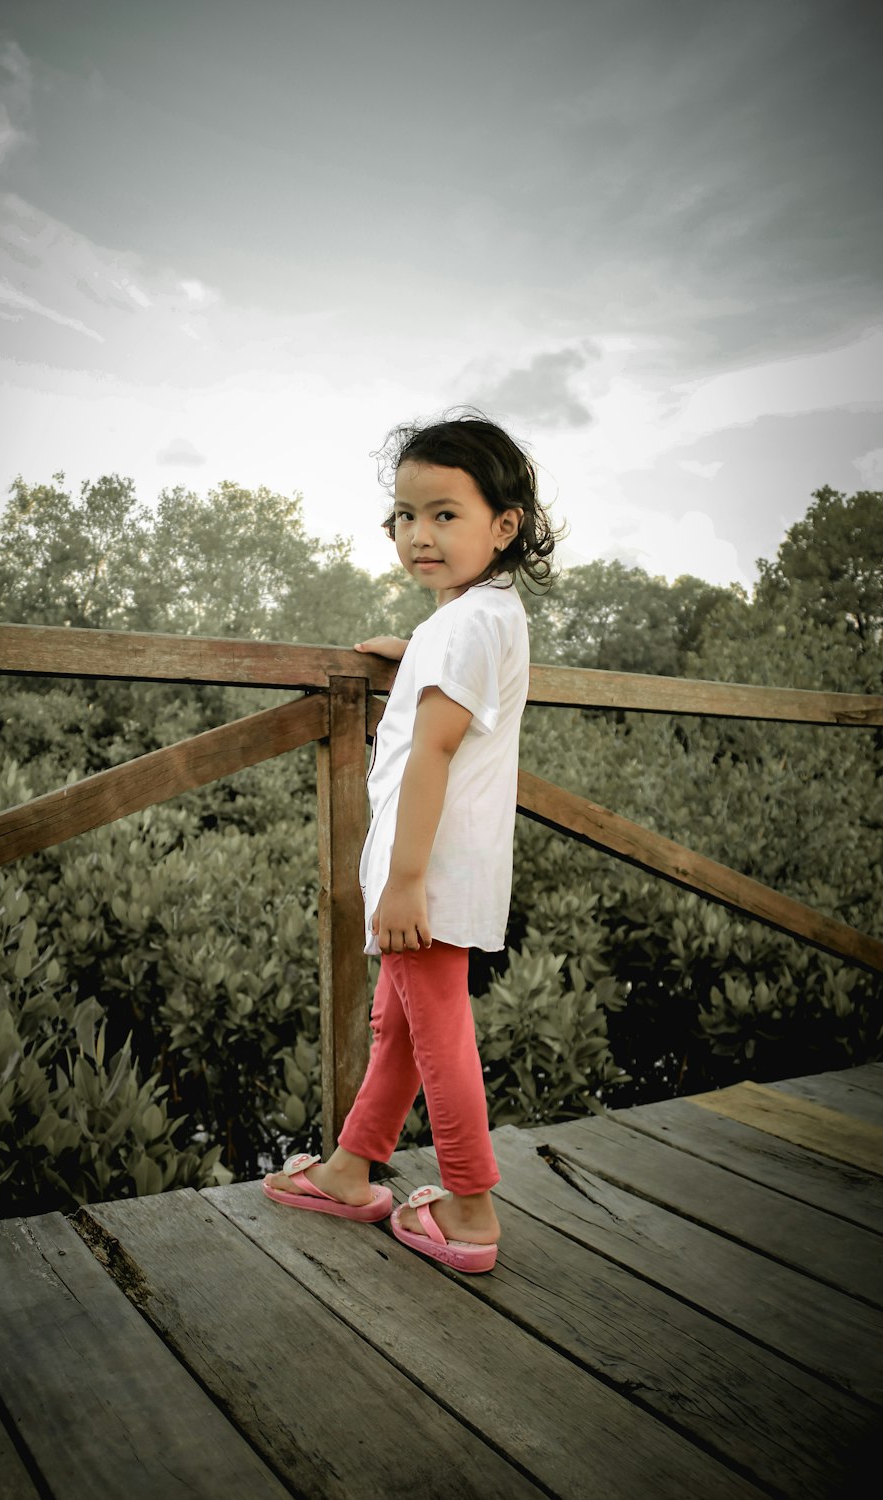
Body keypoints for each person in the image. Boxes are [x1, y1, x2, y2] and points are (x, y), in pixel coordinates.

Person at [264, 411, 557, 1272]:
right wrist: (417, 649)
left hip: (426, 874)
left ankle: (470, 1212)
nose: (419, 535)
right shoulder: (477, 618)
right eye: (405, 515)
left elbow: (432, 750)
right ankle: (351, 1170)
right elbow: (452, 680)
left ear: (504, 526)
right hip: (443, 868)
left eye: (445, 514)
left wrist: (403, 883)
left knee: (438, 1034)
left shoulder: (464, 628)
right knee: (400, 1026)